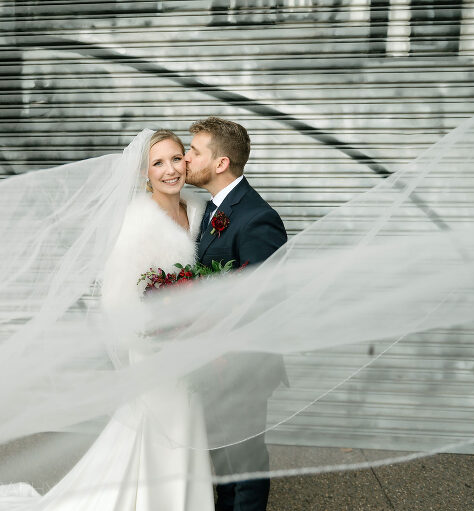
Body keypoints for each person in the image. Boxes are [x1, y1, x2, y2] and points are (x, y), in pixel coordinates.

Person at [0, 129, 216, 511]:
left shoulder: (199, 212)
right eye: (158, 163)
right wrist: (166, 333)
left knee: (181, 427)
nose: (170, 170)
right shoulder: (136, 225)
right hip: (156, 351)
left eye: (176, 158)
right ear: (143, 174)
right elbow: (118, 304)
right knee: (169, 429)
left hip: (189, 352)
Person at [184, 117, 288, 511]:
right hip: (213, 363)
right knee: (223, 464)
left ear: (222, 163)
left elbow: (264, 297)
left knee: (244, 466)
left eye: (195, 151)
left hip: (242, 366)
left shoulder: (256, 217)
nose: (186, 157)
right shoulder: (211, 210)